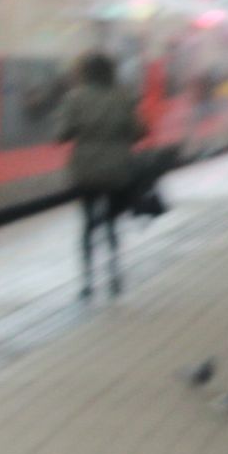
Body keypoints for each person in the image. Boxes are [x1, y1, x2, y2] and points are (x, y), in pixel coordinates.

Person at [58, 49, 146, 300]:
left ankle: (87, 283)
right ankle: (115, 276)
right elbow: (139, 132)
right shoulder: (123, 98)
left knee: (87, 225)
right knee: (111, 224)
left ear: (85, 73)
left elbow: (62, 134)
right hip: (117, 169)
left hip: (84, 169)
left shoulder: (74, 99)